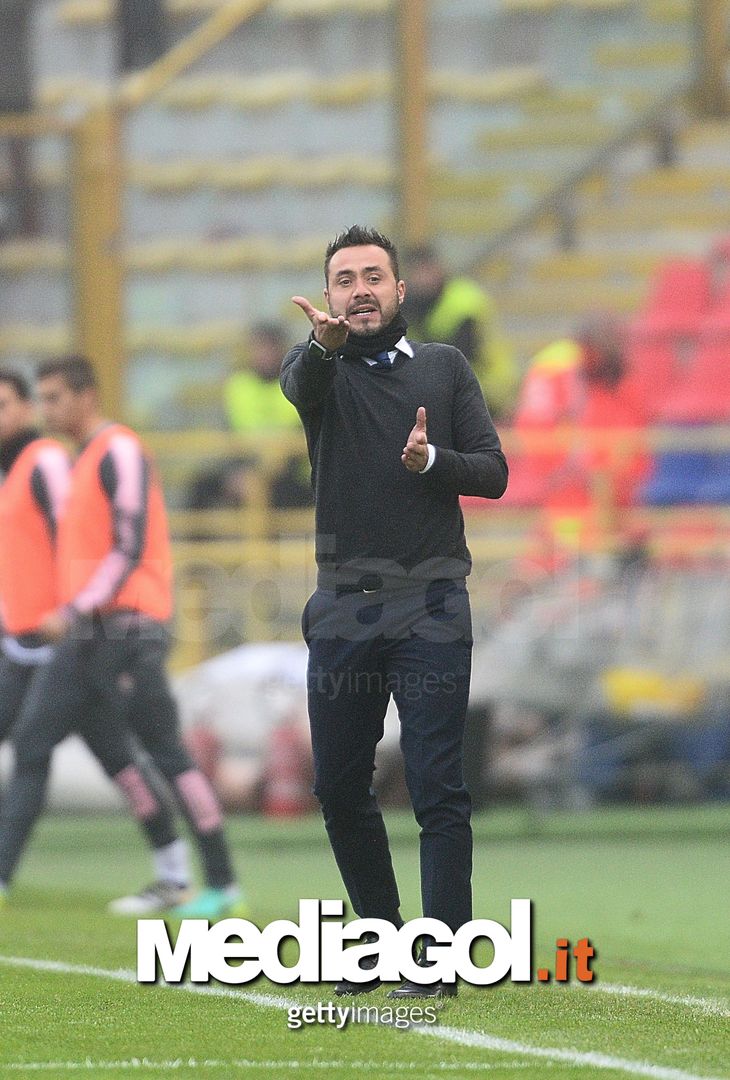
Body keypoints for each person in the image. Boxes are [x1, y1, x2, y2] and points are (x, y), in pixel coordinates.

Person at [281, 225, 508, 998]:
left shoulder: (445, 368)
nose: (360, 290)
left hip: (433, 605)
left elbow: (495, 471)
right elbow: (298, 388)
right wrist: (320, 347)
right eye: (344, 280)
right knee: (339, 788)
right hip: (344, 609)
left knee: (436, 784)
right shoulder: (318, 368)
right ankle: (377, 944)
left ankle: (437, 963)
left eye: (373, 276)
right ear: (330, 297)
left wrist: (432, 462)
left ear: (401, 289)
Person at [0, 356, 244, 919]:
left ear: (87, 396)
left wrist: (73, 607)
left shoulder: (120, 450)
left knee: (165, 754)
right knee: (63, 747)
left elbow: (128, 544)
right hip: (90, 635)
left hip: (127, 629)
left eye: (57, 397)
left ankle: (221, 881)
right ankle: (175, 874)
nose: (48, 408)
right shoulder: (83, 459)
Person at [401, 244, 517, 420]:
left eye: (426, 271)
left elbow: (460, 355)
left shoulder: (464, 301)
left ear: (438, 268)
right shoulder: (410, 304)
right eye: (417, 273)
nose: (422, 279)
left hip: (486, 389)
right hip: (445, 390)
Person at [224, 322, 313, 509]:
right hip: (248, 464)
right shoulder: (238, 385)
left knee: (276, 489)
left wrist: (264, 472)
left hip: (290, 471)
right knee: (203, 487)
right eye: (258, 347)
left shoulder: (298, 382)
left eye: (269, 347)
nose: (264, 354)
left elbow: (303, 437)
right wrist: (237, 471)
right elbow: (229, 436)